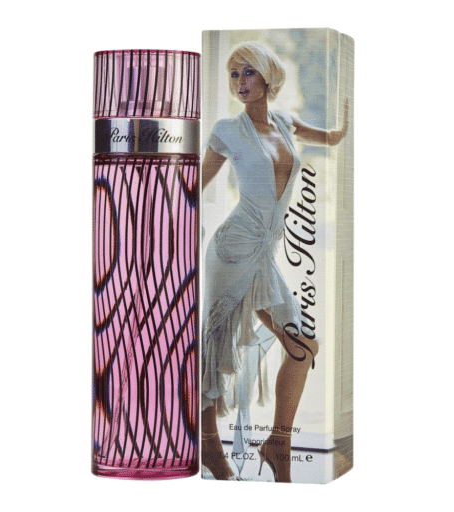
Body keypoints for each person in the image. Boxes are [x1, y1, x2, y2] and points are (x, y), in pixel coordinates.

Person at [201, 41, 348, 482]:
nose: (239, 82)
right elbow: (191, 186)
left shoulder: (285, 122)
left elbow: (331, 138)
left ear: (268, 76)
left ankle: (277, 443)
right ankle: (210, 449)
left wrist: (348, 112)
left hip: (263, 254)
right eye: (233, 74)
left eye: (248, 72)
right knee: (214, 348)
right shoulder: (227, 130)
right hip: (232, 250)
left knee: (304, 348)